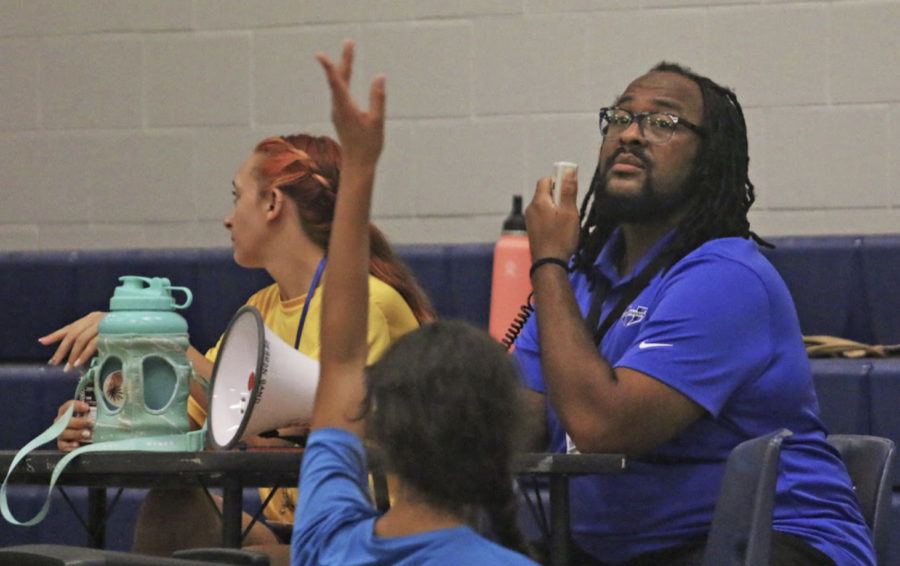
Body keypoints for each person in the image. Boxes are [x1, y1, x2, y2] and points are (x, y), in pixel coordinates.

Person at [39, 87, 435, 559]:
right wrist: (98, 420)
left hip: (379, 535)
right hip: (301, 529)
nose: (227, 219)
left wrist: (164, 344)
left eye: (236, 197)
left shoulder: (366, 301)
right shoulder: (261, 307)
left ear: (271, 204)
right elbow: (185, 418)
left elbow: (295, 423)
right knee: (174, 507)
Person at [514, 62, 876, 566]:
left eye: (662, 123)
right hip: (618, 548)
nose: (631, 135)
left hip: (766, 540)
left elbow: (603, 427)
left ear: (708, 159)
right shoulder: (577, 279)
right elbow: (518, 423)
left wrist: (547, 261)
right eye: (619, 118)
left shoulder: (725, 276)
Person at [289, 39, 537, 566]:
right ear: (502, 440)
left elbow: (341, 363)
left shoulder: (325, 540)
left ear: (379, 424)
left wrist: (358, 166)